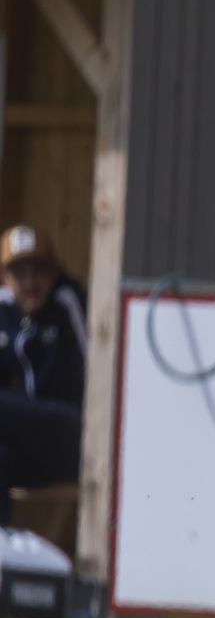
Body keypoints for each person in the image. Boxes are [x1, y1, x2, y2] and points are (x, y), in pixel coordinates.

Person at [0, 225, 88, 529]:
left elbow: (99, 369)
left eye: (38, 271)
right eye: (19, 273)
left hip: (76, 436)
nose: (30, 282)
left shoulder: (67, 302)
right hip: (33, 443)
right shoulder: (4, 311)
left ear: (54, 273)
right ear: (5, 278)